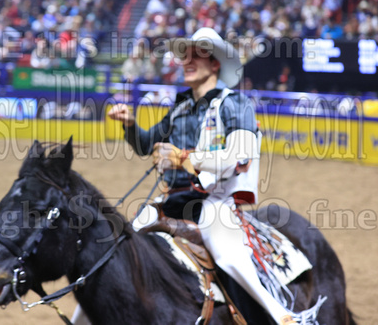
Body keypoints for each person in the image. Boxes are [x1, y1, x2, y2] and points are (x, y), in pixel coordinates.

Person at [107, 28, 300, 325]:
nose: (187, 60)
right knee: (122, 246)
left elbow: (238, 157)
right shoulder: (180, 107)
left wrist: (182, 158)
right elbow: (147, 146)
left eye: (198, 54)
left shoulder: (234, 104)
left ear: (215, 64)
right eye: (185, 54)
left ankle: (280, 315)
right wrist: (131, 124)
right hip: (173, 199)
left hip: (216, 200)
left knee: (226, 253)